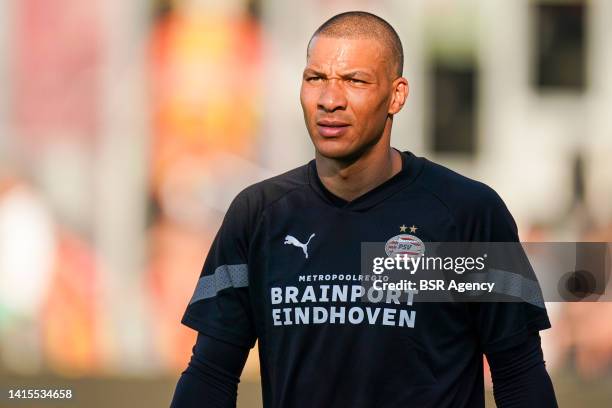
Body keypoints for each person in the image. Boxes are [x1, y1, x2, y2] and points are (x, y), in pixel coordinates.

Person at [170, 11, 558, 408]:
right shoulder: (258, 215)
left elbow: (518, 374)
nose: (330, 100)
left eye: (354, 81)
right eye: (315, 78)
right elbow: (211, 374)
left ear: (397, 95)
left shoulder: (467, 213)